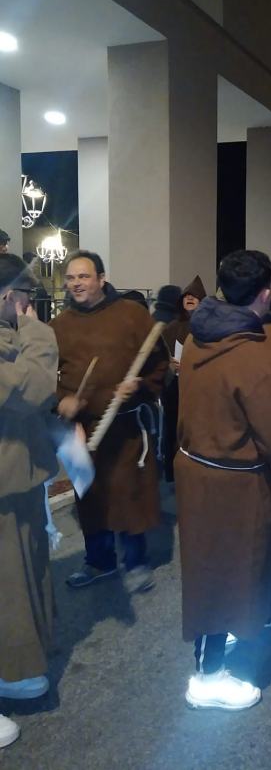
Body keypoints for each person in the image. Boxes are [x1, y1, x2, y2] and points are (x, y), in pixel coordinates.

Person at [174, 249, 271, 710]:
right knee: (228, 571)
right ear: (267, 293)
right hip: (232, 479)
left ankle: (217, 645)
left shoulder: (196, 338)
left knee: (208, 568)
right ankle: (208, 678)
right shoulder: (253, 355)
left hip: (195, 467)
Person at [50, 250, 168, 592]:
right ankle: (99, 561)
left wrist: (141, 385)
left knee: (128, 495)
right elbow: (46, 376)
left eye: (83, 276)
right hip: (83, 430)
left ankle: (136, 562)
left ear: (101, 278)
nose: (76, 284)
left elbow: (159, 363)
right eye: (70, 278)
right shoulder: (59, 325)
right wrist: (62, 400)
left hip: (127, 425)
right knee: (91, 496)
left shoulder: (132, 315)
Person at [0, 255, 59, 749]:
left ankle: (15, 668)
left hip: (12, 480)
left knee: (17, 578)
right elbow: (33, 387)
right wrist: (35, 331)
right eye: (23, 297)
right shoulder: (21, 334)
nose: (27, 306)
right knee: (5, 584)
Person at [161, 277, 207, 482]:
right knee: (173, 428)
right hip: (174, 388)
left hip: (199, 389)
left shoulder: (207, 327)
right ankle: (173, 471)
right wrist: (169, 364)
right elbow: (162, 354)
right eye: (186, 296)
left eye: (193, 296)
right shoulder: (172, 327)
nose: (189, 299)